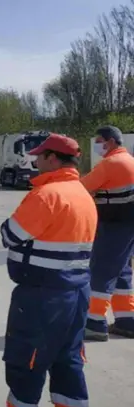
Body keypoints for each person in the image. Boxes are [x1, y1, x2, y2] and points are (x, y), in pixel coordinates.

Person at [0, 134, 96, 407]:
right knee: (68, 356)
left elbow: (10, 234)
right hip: (77, 291)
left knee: (27, 356)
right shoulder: (83, 194)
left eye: (40, 156)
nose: (34, 161)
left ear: (53, 158)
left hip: (42, 295)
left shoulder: (48, 194)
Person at [80, 125, 134, 340]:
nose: (97, 145)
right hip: (128, 226)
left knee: (102, 271)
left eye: (99, 141)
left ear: (110, 141)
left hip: (114, 225)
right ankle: (126, 320)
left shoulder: (111, 163)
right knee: (122, 272)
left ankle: (94, 322)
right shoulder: (130, 160)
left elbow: (81, 188)